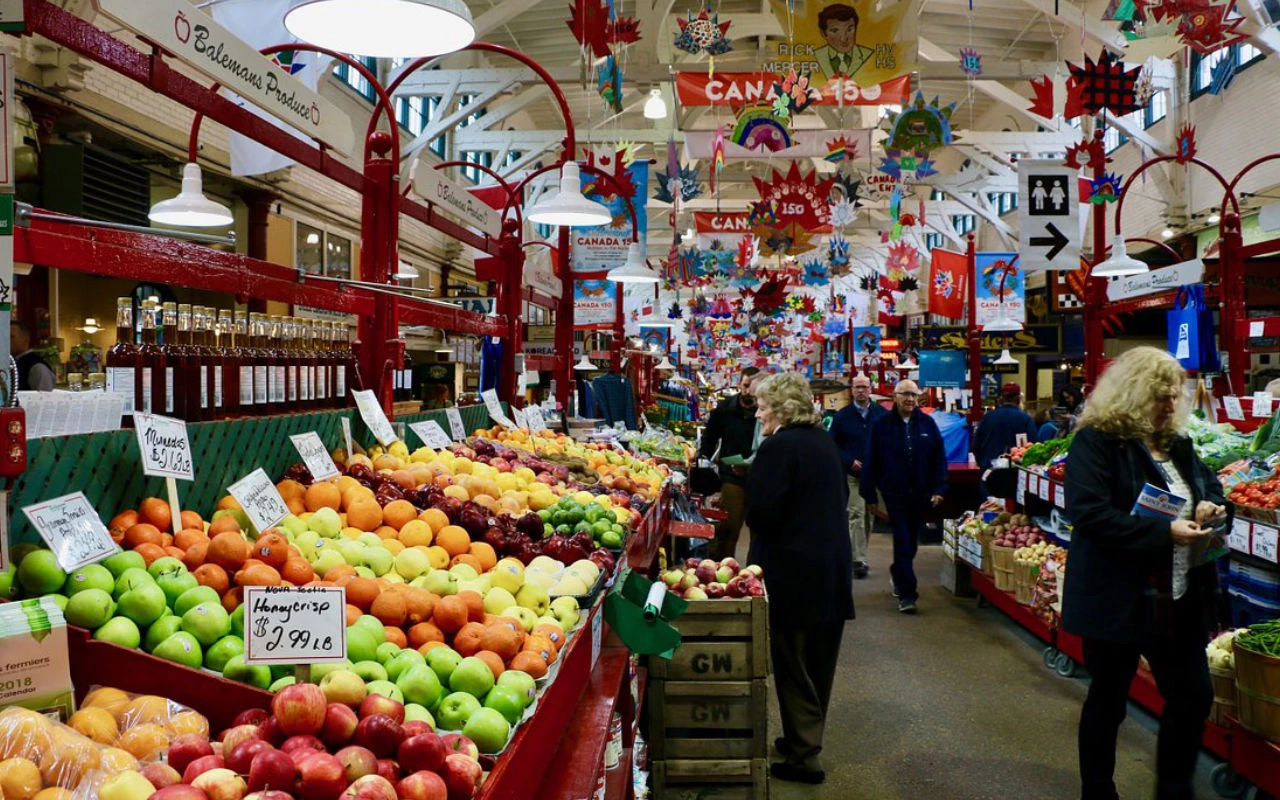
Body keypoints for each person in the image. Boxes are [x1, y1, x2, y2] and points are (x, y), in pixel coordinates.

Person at [1062, 346, 1227, 800]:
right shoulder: (1097, 442)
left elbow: (1208, 485)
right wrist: (1164, 533)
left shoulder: (1180, 445)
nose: (1170, 407)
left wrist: (1211, 504)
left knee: (1193, 695)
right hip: (1118, 594)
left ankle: (1174, 790)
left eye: (1174, 397)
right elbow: (1089, 513)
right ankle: (1097, 790)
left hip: (1178, 594)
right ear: (1133, 394)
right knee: (1109, 699)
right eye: (1160, 397)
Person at [745, 372, 853, 785]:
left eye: (763, 405)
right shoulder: (823, 441)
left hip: (792, 570)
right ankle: (799, 739)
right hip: (830, 566)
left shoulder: (779, 447)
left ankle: (805, 756)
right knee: (819, 661)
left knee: (792, 662)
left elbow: (763, 512)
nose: (758, 412)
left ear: (783, 408)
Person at [861, 379, 947, 614]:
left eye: (914, 395)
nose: (910, 399)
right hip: (894, 493)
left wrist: (939, 489)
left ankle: (898, 572)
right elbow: (870, 460)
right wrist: (869, 494)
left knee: (911, 540)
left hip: (921, 493)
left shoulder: (928, 424)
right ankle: (908, 594)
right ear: (895, 396)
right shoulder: (881, 425)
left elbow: (939, 459)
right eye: (905, 394)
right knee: (902, 539)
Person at [829, 373, 887, 578]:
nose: (861, 391)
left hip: (875, 475)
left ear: (870, 389)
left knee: (869, 517)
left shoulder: (881, 415)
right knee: (856, 513)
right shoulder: (842, 417)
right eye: (857, 387)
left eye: (864, 387)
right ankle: (858, 559)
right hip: (853, 475)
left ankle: (860, 553)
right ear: (852, 390)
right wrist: (849, 460)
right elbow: (833, 444)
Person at [699, 367, 762, 560]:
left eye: (752, 387)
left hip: (760, 478)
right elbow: (710, 437)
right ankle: (722, 568)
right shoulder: (725, 409)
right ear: (739, 384)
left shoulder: (765, 412)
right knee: (728, 527)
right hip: (732, 477)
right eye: (745, 386)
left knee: (759, 531)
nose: (748, 391)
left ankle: (754, 573)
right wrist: (703, 460)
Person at [971, 383, 1039, 469]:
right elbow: (1033, 447)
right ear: (1018, 399)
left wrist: (981, 462)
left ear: (1001, 399)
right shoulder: (1025, 419)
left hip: (989, 470)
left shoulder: (987, 417)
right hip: (1015, 471)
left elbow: (976, 445)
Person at [813, 3, 873, 80]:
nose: (844, 39)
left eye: (849, 30)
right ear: (823, 34)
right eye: (835, 31)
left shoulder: (868, 55)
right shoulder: (815, 56)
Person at [10, 321, 55, 391]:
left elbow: (44, 398)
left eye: (11, 337)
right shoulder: (10, 363)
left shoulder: (37, 367)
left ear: (25, 338)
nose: (7, 341)